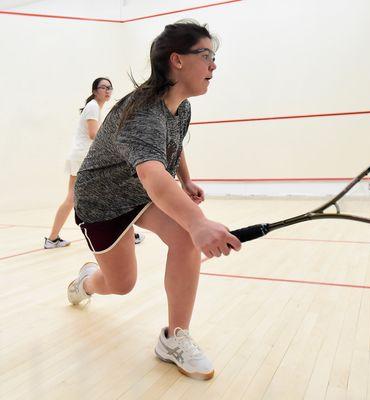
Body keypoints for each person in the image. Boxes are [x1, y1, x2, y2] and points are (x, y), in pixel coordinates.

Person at [67, 20, 241, 380]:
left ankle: (174, 337)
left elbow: (170, 148)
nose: (214, 65)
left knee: (182, 238)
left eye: (214, 56)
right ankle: (86, 282)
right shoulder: (142, 112)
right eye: (206, 55)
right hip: (102, 201)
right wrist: (198, 222)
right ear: (177, 60)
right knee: (121, 284)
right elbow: (151, 173)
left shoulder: (181, 107)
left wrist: (188, 182)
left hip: (139, 193)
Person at [44, 78, 145, 249]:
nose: (107, 90)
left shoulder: (94, 107)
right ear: (94, 90)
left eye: (110, 88)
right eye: (103, 87)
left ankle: (52, 239)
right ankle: (52, 239)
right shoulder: (92, 107)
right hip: (84, 158)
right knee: (82, 196)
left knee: (81, 196)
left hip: (83, 157)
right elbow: (93, 134)